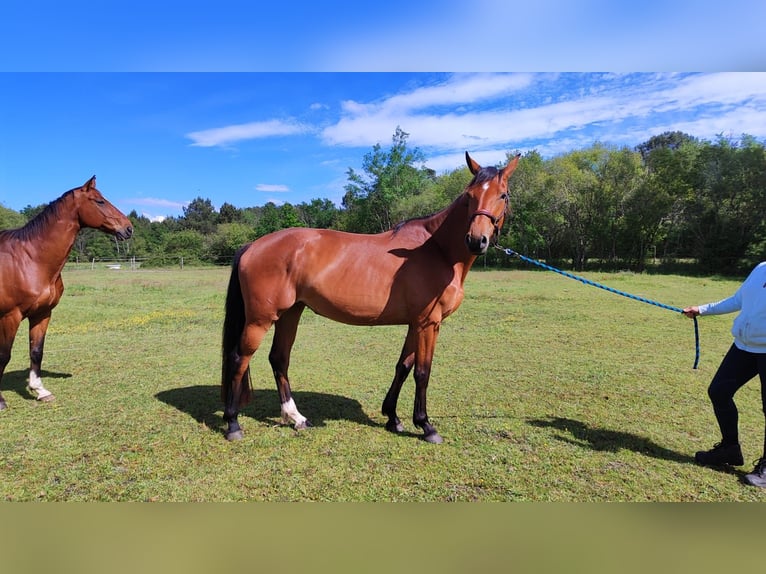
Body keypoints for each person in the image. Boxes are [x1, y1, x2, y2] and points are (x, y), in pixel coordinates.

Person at [683, 261, 766, 488]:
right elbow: (739, 300)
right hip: (744, 346)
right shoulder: (761, 268)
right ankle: (730, 449)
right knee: (719, 391)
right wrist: (702, 309)